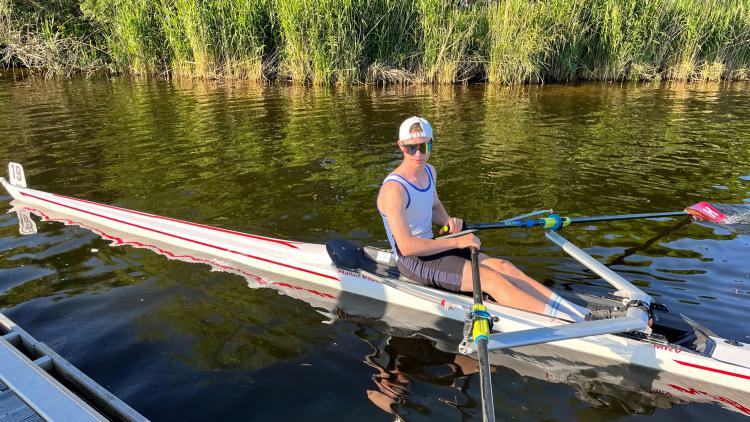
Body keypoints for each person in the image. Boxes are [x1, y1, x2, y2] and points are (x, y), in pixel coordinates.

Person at [377, 116, 588, 321]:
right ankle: (567, 325)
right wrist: (459, 240)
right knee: (492, 280)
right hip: (413, 261)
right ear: (401, 146)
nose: (418, 154)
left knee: (504, 266)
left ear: (431, 144)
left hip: (434, 245)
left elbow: (433, 206)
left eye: (424, 147)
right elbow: (407, 247)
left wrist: (448, 221)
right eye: (411, 147)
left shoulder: (430, 171)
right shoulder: (394, 190)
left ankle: (581, 314)